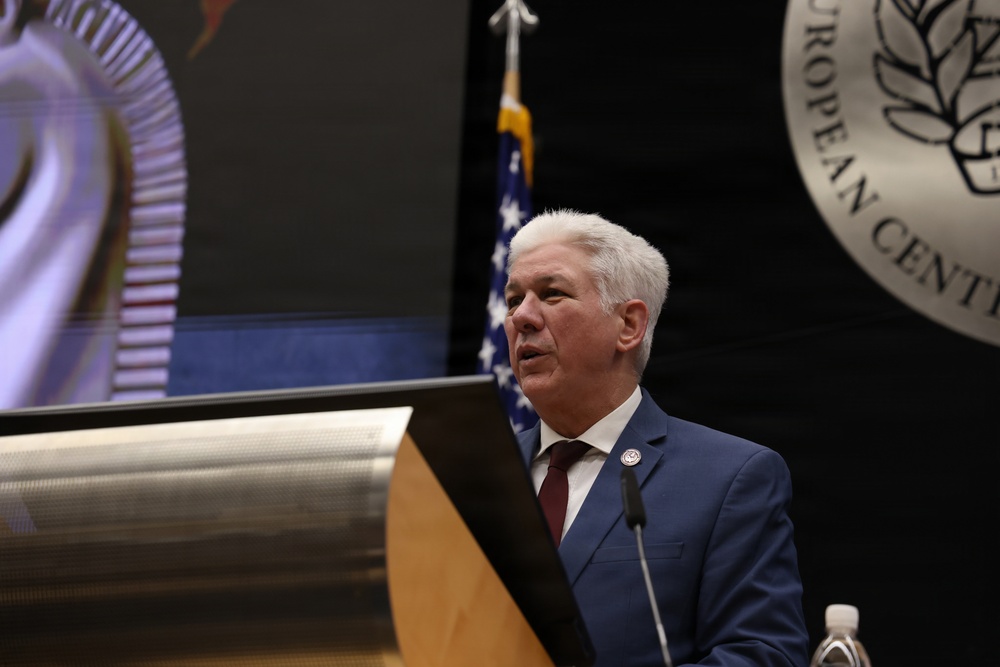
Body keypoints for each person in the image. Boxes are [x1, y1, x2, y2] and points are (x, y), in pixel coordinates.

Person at [503, 209, 809, 666]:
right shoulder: (474, 476)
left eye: (551, 294)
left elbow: (762, 656)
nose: (522, 317)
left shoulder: (728, 479)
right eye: (513, 300)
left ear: (628, 325)